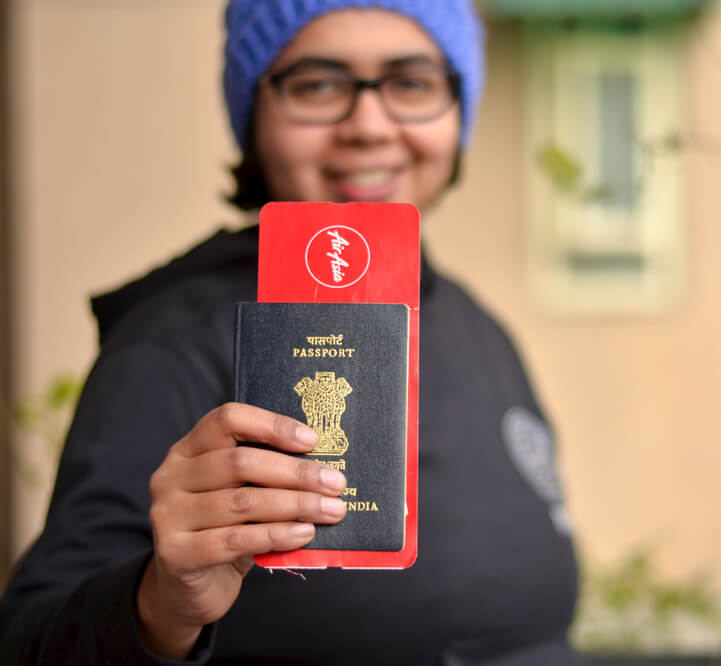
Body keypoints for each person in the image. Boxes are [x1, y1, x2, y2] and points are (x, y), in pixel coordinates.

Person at [0, 2, 581, 664]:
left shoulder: (478, 327)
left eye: (411, 82)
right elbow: (28, 640)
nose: (367, 125)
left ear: (458, 111)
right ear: (256, 117)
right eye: (318, 85)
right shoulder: (176, 344)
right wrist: (161, 603)